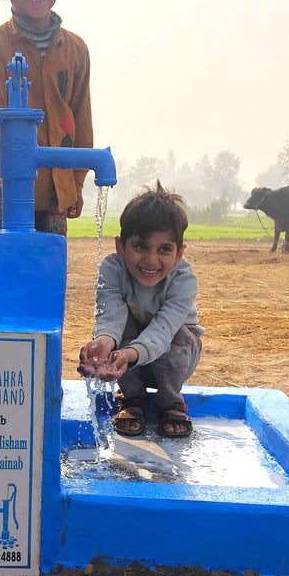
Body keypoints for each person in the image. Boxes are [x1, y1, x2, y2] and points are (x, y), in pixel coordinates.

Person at [0, 0, 92, 235]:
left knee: (49, 270)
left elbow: (81, 117)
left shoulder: (76, 51)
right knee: (8, 273)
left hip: (58, 189)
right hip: (9, 189)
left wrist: (77, 181)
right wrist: (1, 175)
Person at [77, 183, 202, 438]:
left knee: (178, 333)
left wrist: (128, 354)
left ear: (179, 253)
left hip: (175, 358)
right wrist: (104, 343)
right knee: (122, 328)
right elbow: (110, 315)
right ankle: (133, 400)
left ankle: (171, 403)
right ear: (120, 246)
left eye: (164, 249)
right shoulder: (113, 269)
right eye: (141, 246)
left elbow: (163, 330)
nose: (151, 260)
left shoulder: (183, 280)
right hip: (128, 362)